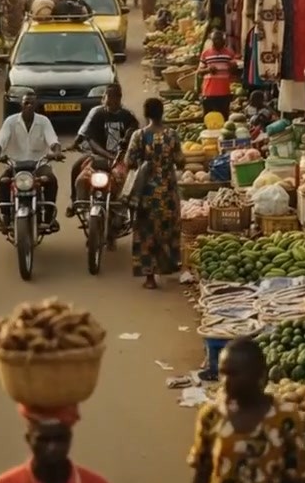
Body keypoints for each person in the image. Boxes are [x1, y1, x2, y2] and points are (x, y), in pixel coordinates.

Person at [188, 337, 305, 483]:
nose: (226, 381)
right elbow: (201, 477)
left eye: (234, 374)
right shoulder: (211, 416)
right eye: (223, 373)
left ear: (259, 374)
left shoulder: (285, 418)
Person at [124, 97, 185, 290]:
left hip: (146, 194)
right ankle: (166, 267)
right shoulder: (172, 135)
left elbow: (129, 162)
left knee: (146, 234)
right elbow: (180, 161)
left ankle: (149, 278)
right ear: (162, 113)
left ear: (146, 114)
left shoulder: (139, 135)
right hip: (168, 193)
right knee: (167, 230)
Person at [68, 84, 139, 227]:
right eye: (105, 96)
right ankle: (79, 203)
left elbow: (134, 135)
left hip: (122, 160)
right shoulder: (98, 114)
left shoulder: (128, 116)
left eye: (109, 96)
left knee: (130, 181)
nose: (106, 100)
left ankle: (127, 210)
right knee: (79, 174)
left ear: (118, 98)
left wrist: (125, 146)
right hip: (100, 158)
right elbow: (91, 140)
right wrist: (108, 156)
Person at [0, 94, 63, 228]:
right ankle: (6, 215)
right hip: (14, 164)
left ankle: (48, 215)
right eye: (26, 103)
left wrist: (57, 152)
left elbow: (53, 141)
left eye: (32, 104)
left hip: (39, 164)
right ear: (21, 105)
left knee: (51, 180)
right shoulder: (10, 121)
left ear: (36, 106)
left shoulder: (44, 121)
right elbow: (0, 140)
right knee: (2, 182)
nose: (29, 106)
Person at [198, 29, 237, 121]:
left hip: (224, 92)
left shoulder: (229, 53)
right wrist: (208, 69)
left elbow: (234, 71)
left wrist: (233, 66)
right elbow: (199, 72)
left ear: (224, 41)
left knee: (224, 118)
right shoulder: (205, 54)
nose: (218, 41)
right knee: (208, 119)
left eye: (220, 39)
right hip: (209, 92)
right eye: (215, 39)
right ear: (212, 41)